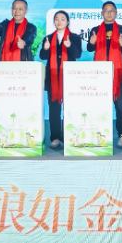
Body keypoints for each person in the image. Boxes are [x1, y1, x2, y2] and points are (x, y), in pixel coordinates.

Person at [87, 1, 122, 148]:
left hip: (117, 71)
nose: (109, 13)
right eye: (106, 10)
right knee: (99, 104)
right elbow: (89, 48)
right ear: (102, 13)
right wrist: (92, 42)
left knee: (119, 104)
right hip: (99, 72)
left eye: (111, 10)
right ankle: (99, 133)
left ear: (116, 13)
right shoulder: (95, 30)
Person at [39, 11, 82, 148]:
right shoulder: (48, 38)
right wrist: (45, 49)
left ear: (67, 22)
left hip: (69, 77)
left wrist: (69, 46)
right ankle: (55, 137)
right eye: (56, 19)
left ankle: (69, 136)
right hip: (52, 78)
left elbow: (78, 54)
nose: (59, 21)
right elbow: (42, 56)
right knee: (54, 109)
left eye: (62, 19)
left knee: (70, 108)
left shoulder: (74, 37)